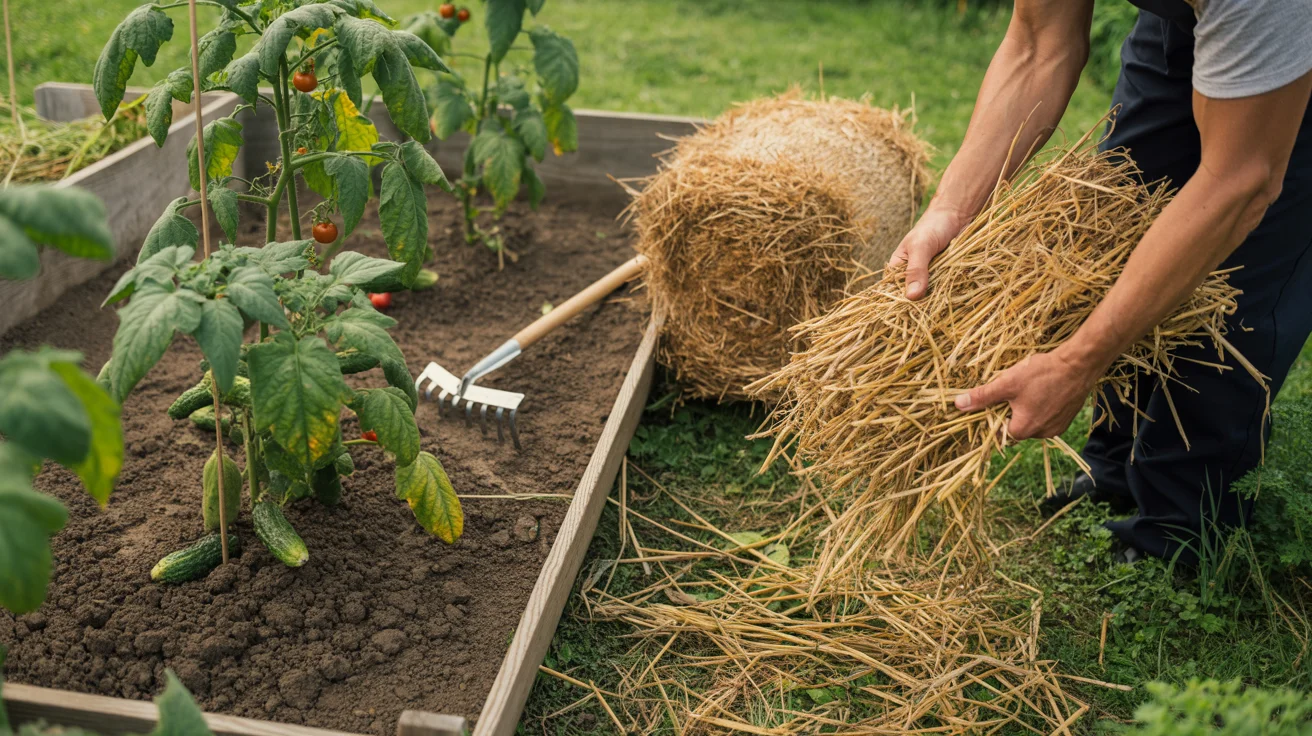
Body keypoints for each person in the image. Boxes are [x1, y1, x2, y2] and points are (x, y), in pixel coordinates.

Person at [888, 0, 1312, 564]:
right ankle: (1116, 460)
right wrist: (948, 209)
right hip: (1188, 16)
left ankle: (1179, 530)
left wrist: (1075, 363)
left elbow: (1240, 183)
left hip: (1287, 39)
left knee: (1239, 281)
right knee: (1117, 204)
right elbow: (1039, 43)